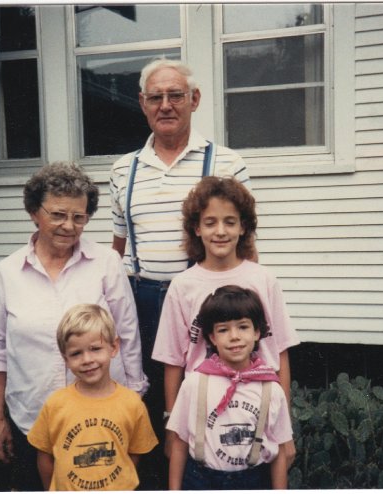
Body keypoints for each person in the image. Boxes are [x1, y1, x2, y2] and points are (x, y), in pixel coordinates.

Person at [108, 58, 252, 487]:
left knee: (211, 393)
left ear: (195, 100)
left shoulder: (227, 163)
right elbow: (118, 247)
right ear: (142, 103)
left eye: (175, 95)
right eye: (156, 97)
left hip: (208, 297)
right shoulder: (122, 169)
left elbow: (245, 245)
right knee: (149, 396)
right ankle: (154, 481)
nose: (166, 105)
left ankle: (208, 477)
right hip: (143, 300)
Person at [0, 162, 147, 490]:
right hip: (33, 417)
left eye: (79, 217)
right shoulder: (4, 274)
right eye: (58, 214)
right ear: (33, 211)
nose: (68, 226)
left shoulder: (106, 263)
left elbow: (127, 335)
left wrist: (134, 400)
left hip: (101, 420)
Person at [153, 176, 299, 462]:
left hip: (259, 410)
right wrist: (173, 428)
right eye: (210, 222)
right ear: (196, 228)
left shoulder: (263, 279)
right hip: (203, 413)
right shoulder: (183, 286)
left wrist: (286, 429)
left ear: (243, 227)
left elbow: (279, 351)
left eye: (230, 222)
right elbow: (173, 361)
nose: (220, 231)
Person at [167, 285, 292, 490]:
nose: (234, 336)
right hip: (201, 480)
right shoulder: (195, 383)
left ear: (257, 332)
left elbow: (278, 449)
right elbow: (179, 443)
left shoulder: (270, 388)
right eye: (223, 329)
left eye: (243, 327)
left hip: (253, 481)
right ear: (213, 338)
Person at [28, 304, 158, 491]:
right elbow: (44, 456)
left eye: (95, 349)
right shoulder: (55, 404)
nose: (87, 359)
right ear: (66, 359)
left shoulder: (132, 403)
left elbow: (134, 453)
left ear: (113, 347)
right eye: (76, 353)